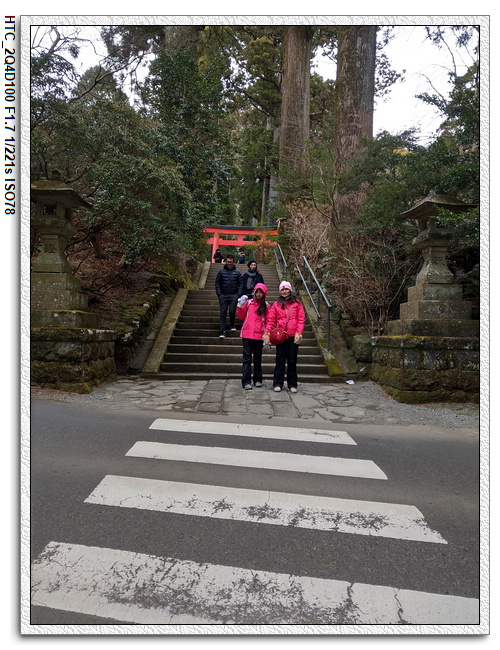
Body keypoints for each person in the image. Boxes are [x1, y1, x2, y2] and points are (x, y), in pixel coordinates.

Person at [263, 280, 305, 393]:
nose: (284, 291)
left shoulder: (297, 303)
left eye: (286, 289)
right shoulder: (276, 304)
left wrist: (299, 332)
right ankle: (278, 383)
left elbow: (301, 319)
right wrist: (267, 332)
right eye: (282, 289)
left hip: (292, 335)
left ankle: (292, 384)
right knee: (280, 359)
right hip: (280, 336)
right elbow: (271, 320)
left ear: (290, 290)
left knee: (292, 360)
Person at [237, 283, 268, 389]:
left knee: (257, 359)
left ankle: (258, 379)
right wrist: (240, 305)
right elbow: (241, 316)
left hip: (259, 335)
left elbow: (269, 321)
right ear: (254, 292)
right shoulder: (249, 303)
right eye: (257, 292)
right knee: (247, 358)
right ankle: (246, 381)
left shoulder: (266, 306)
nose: (258, 294)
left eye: (261, 292)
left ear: (264, 294)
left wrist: (267, 334)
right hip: (247, 334)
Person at [215, 254, 243, 338]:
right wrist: (219, 294)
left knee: (232, 311)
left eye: (231, 262)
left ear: (234, 262)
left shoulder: (237, 272)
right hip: (223, 295)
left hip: (234, 295)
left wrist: (238, 294)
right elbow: (217, 283)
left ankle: (232, 324)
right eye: (228, 262)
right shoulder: (221, 272)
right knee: (223, 313)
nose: (229, 263)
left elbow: (241, 284)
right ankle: (222, 331)